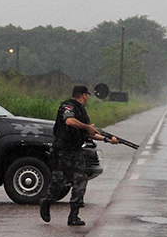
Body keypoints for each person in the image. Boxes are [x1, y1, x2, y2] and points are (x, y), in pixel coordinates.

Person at [39, 85, 117, 226]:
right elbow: (70, 121)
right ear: (83, 95)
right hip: (62, 151)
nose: (86, 98)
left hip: (76, 151)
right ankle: (46, 202)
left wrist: (107, 139)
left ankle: (74, 215)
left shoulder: (81, 111)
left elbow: (90, 133)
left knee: (80, 181)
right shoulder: (68, 107)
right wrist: (87, 127)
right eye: (86, 96)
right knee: (59, 183)